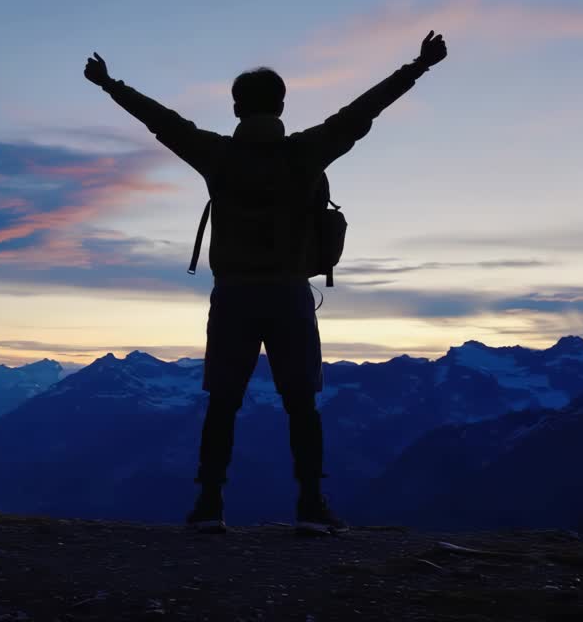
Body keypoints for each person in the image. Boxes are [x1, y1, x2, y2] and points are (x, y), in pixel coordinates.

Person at [83, 31, 448, 534]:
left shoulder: (216, 155)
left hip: (232, 295)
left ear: (235, 109)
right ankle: (312, 505)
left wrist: (109, 84)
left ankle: (209, 505)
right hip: (288, 295)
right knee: (300, 402)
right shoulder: (306, 152)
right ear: (281, 106)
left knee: (224, 402)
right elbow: (365, 110)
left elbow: (161, 121)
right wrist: (418, 65)